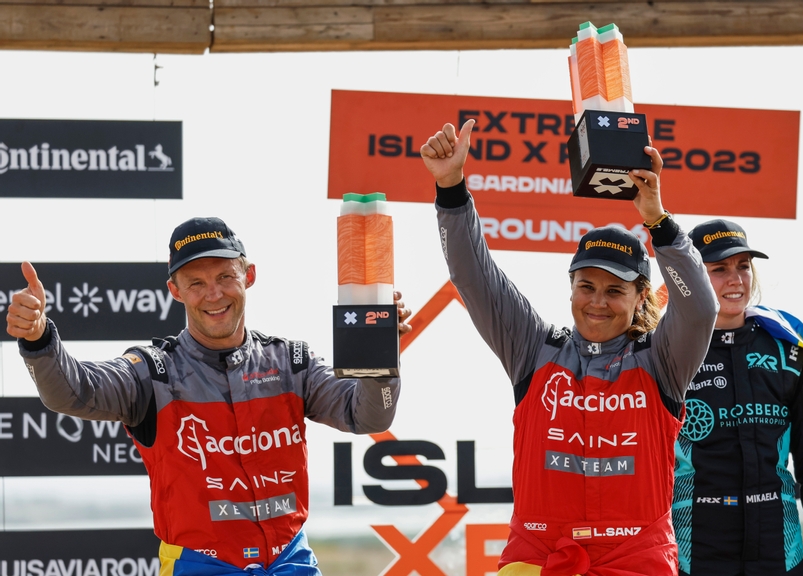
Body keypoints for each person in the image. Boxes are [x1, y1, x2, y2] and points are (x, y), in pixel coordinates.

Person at [5, 217, 412, 576]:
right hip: (199, 564)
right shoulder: (152, 372)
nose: (213, 294)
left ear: (248, 276)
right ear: (175, 291)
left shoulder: (290, 362)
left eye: (224, 277)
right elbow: (74, 393)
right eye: (196, 283)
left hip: (290, 560)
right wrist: (40, 339)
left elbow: (369, 417)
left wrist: (379, 361)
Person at [420, 120, 718, 575]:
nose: (597, 302)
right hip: (538, 558)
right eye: (587, 286)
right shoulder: (534, 349)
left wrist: (659, 222)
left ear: (641, 296)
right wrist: (450, 187)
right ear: (571, 287)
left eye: (615, 291)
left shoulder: (661, 360)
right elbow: (474, 277)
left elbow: (699, 309)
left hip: (634, 561)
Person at [673, 219, 803, 576]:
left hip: (778, 546)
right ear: (691, 277)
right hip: (694, 546)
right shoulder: (670, 352)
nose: (735, 279)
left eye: (743, 266)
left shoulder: (790, 353)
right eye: (719, 269)